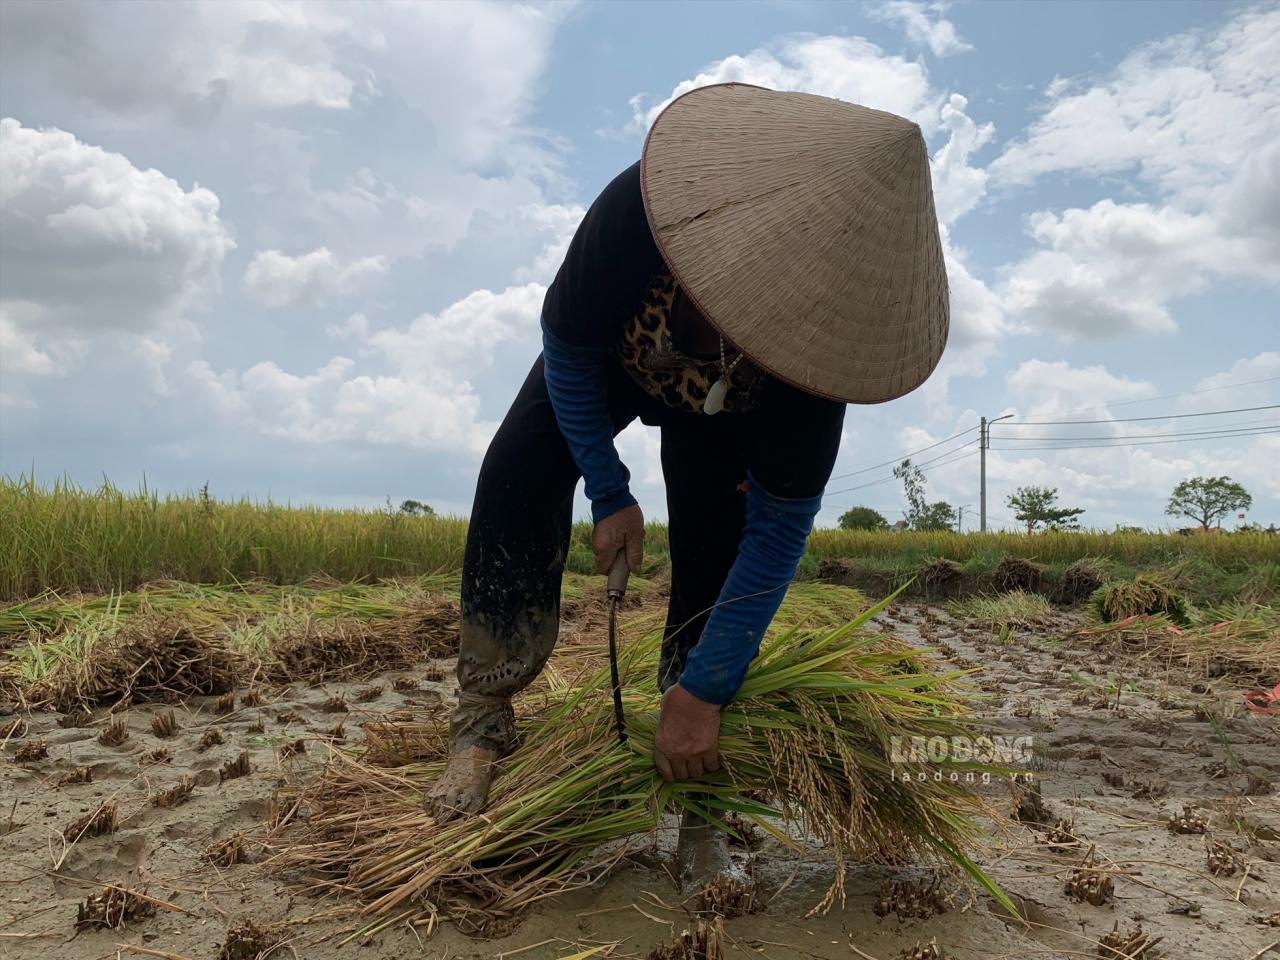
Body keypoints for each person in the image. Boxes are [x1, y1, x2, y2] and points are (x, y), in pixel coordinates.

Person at [429, 83, 949, 883]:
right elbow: (567, 349)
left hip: (725, 415)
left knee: (714, 549)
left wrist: (701, 692)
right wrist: (608, 492)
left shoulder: (804, 382)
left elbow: (776, 532)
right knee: (516, 471)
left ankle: (696, 797)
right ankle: (484, 719)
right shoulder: (636, 218)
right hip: (613, 361)